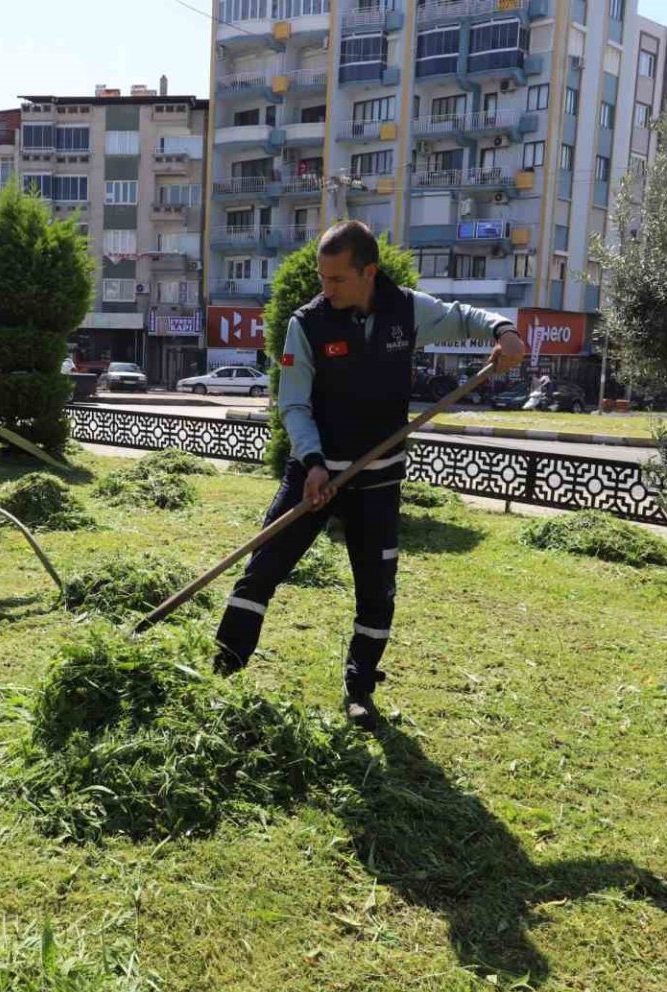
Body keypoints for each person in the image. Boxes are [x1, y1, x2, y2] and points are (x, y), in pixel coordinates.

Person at [212, 221, 526, 728]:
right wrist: (313, 462)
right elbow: (294, 404)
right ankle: (223, 671)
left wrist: (503, 331)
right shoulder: (307, 323)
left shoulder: (406, 310)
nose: (326, 288)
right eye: (322, 277)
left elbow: (464, 316)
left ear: (368, 272)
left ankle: (360, 689)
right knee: (262, 568)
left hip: (377, 480)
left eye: (337, 279)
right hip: (314, 475)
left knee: (377, 590)